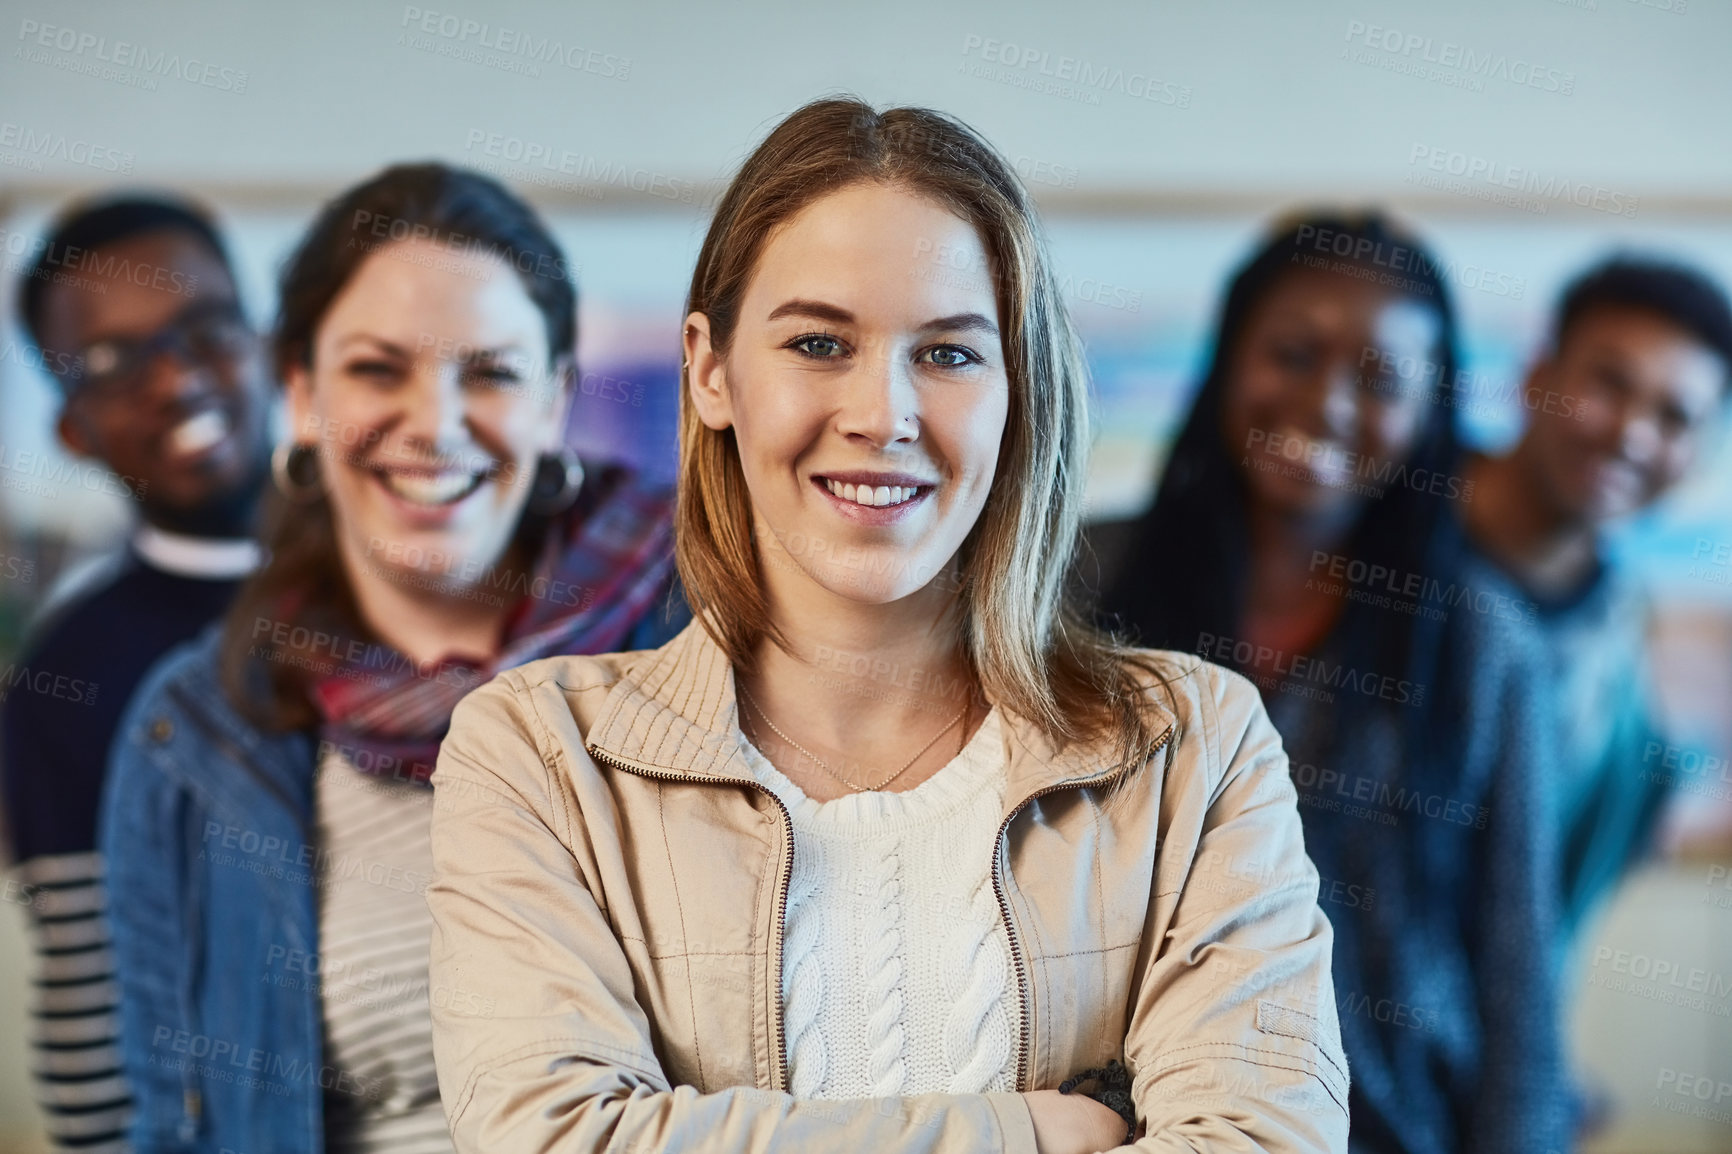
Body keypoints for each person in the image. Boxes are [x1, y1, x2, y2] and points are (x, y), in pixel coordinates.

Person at [425, 98, 1348, 1154]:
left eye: (949, 354)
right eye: (819, 342)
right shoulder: (541, 755)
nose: (882, 414)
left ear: (1019, 386)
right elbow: (553, 1140)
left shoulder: (1192, 743)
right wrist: (1036, 1131)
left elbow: (1264, 1139)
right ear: (711, 369)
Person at [99, 163, 687, 1154]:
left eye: (491, 371)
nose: (434, 422)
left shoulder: (707, 641)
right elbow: (173, 1122)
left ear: (554, 401)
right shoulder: (189, 731)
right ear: (300, 393)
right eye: (379, 368)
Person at [1093, 212, 1570, 1153]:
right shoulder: (1076, 584)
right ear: (1230, 359)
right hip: (1114, 1118)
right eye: (1293, 353)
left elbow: (1517, 969)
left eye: (1381, 376)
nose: (1328, 402)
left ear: (1431, 409)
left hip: (1391, 1124)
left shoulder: (1483, 646)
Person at [1, 195, 272, 1153]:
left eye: (204, 328)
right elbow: (96, 1023)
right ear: (71, 424)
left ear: (265, 344)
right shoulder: (68, 682)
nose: (175, 377)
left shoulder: (412, 590)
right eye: (113, 363)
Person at [1461, 258, 1732, 942]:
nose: (1632, 435)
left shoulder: (1619, 626)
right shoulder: (1384, 540)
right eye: (1609, 383)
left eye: (1674, 417)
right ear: (1536, 379)